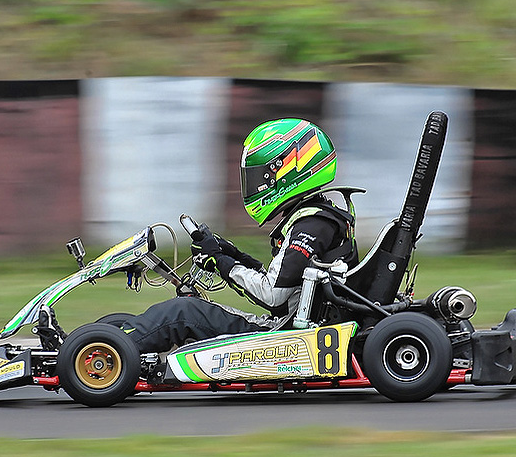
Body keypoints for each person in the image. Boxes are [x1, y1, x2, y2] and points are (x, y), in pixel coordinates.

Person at [121, 118, 359, 354]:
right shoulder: (317, 218)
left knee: (183, 312)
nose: (255, 185)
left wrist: (220, 262)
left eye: (261, 176)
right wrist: (230, 253)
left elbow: (272, 295)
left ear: (287, 171)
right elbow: (284, 283)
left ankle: (113, 349)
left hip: (287, 337)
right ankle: (117, 339)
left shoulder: (312, 225)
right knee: (186, 309)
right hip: (297, 327)